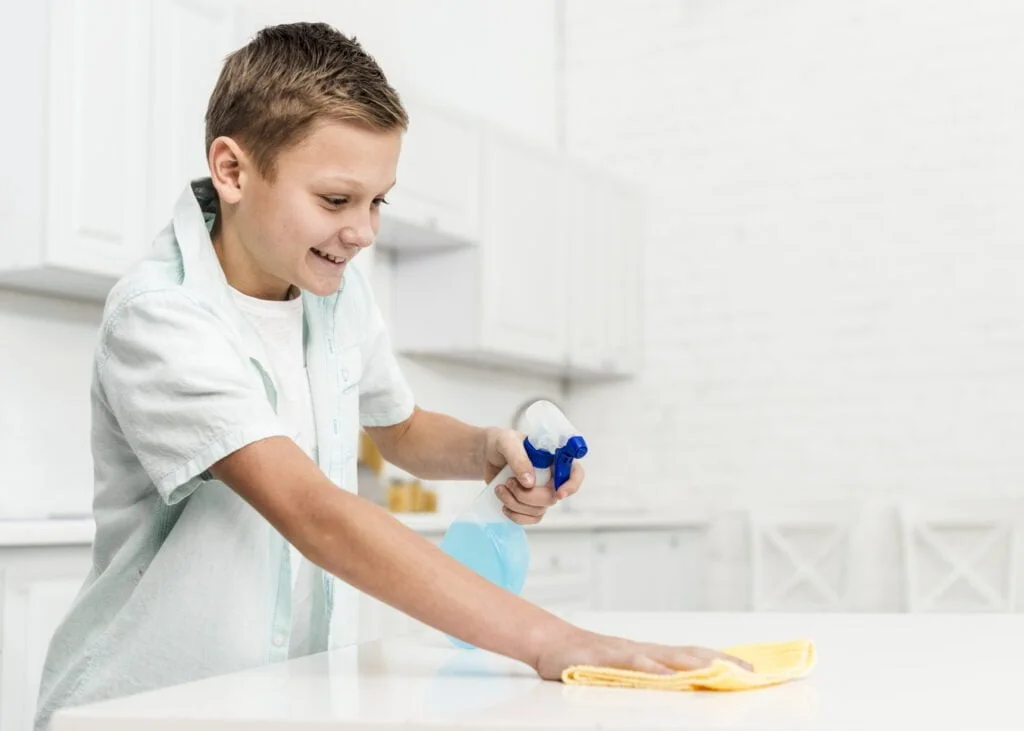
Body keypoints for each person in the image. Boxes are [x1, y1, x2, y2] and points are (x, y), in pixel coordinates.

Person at [34, 21, 746, 730]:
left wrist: (485, 448)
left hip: (286, 692)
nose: (365, 232)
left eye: (379, 201)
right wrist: (554, 639)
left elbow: (398, 427)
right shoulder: (161, 318)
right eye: (337, 200)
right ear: (233, 170)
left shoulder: (334, 292)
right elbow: (314, 513)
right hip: (147, 704)